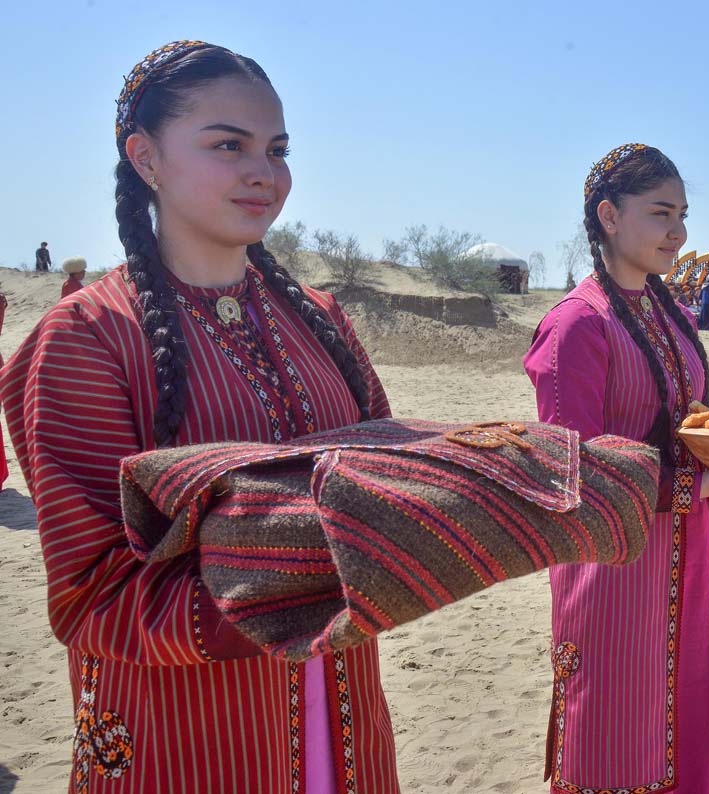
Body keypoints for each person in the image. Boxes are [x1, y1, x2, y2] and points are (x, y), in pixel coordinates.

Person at [0, 42, 401, 792]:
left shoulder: (319, 319)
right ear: (145, 157)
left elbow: (385, 474)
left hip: (343, 713)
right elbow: (95, 594)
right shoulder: (88, 336)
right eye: (229, 145)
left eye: (277, 150)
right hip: (187, 733)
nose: (265, 172)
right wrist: (293, 584)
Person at [525, 143, 709, 794]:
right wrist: (707, 483)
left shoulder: (670, 317)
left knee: (695, 713)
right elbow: (577, 473)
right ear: (609, 217)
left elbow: (692, 424)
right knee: (622, 730)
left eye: (682, 214)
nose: (679, 232)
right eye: (661, 214)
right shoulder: (575, 327)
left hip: (693, 550)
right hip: (616, 568)